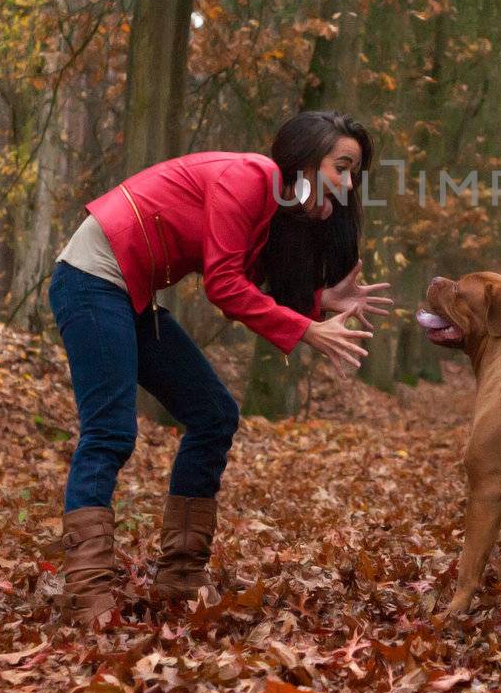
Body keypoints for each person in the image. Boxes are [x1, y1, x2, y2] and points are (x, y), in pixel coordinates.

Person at [46, 110, 392, 626]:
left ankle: (179, 578)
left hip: (130, 294)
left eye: (353, 174)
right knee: (111, 431)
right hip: (92, 279)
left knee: (213, 413)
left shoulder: (272, 209)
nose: (346, 183)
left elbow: (243, 285)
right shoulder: (251, 178)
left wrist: (318, 301)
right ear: (304, 161)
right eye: (341, 167)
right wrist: (307, 330)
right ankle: (87, 595)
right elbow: (223, 287)